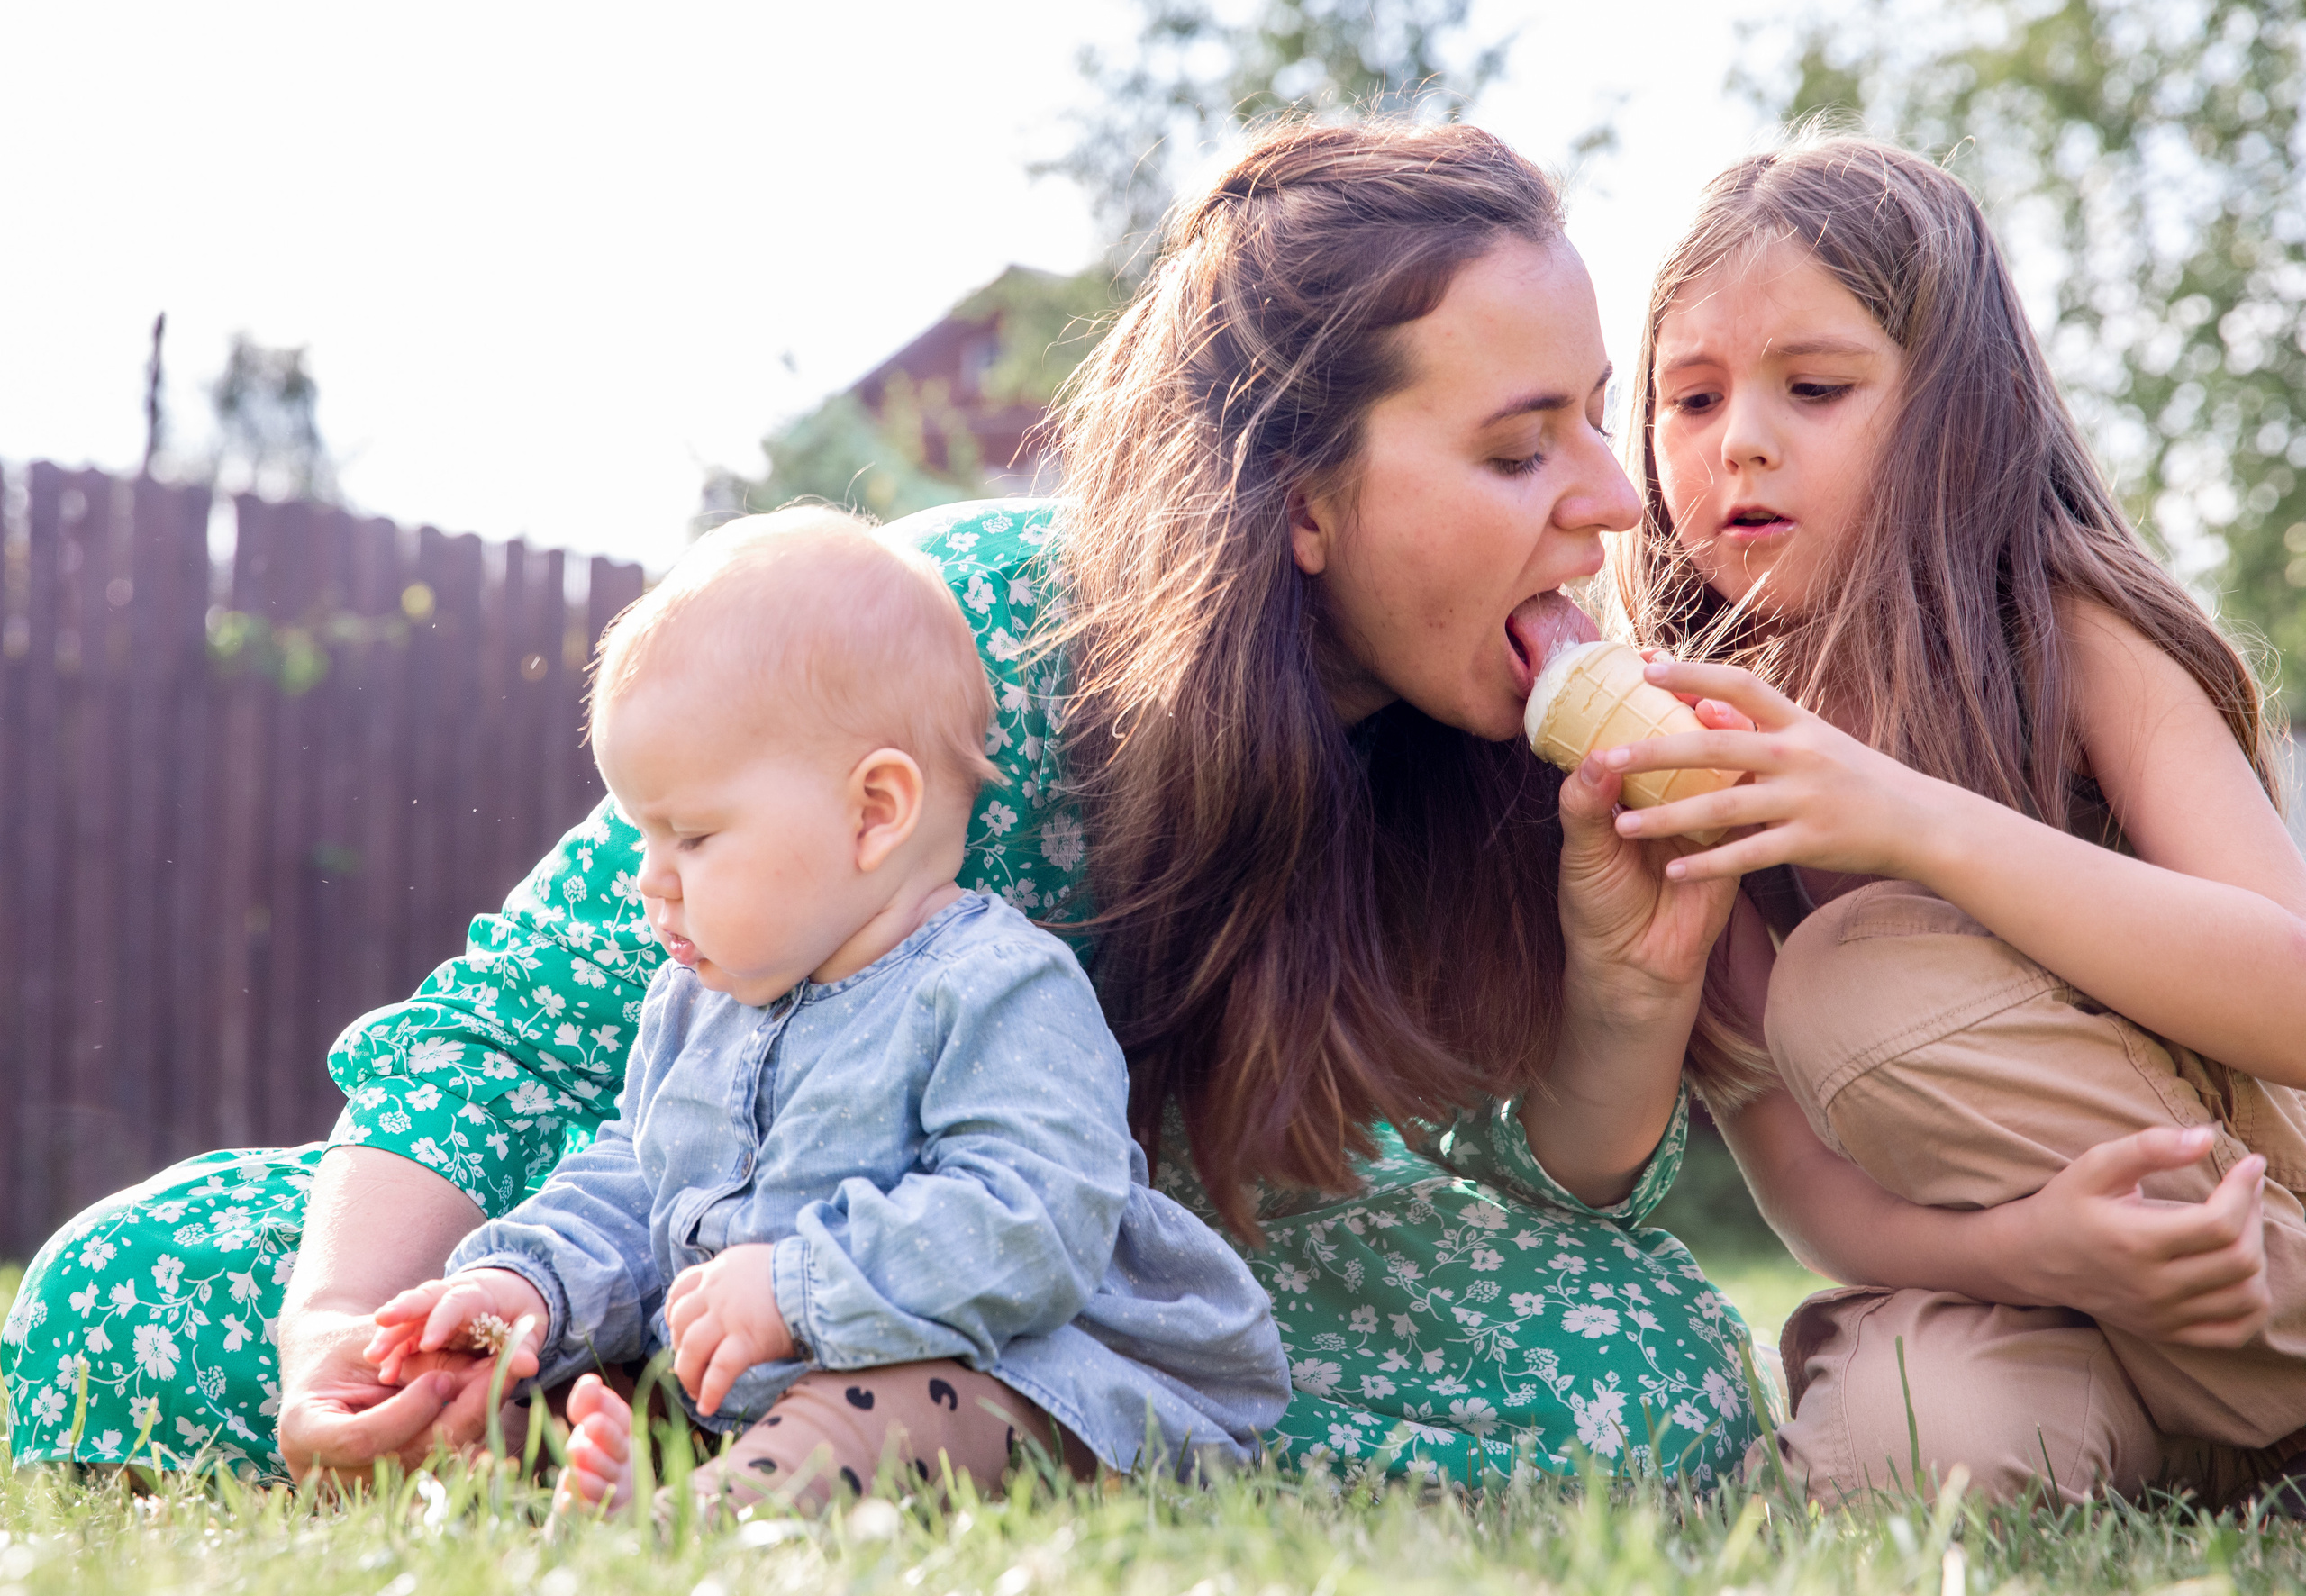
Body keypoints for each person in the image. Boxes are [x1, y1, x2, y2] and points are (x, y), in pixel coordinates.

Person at [3, 121, 2265, 1492]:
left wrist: (1611, 971)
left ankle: (858, 1421)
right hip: (695, 1214)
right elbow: (508, 1032)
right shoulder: (959, 648)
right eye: (1520, 444)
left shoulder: (1502, 736)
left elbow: (1560, 1173)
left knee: (1642, 1368)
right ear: (1295, 500)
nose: (1611, 498)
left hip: (1144, 1270)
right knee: (122, 1298)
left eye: (1594, 419)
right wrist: (345, 1336)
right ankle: (712, 1401)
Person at [1601, 134, 2305, 1506]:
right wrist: (2042, 1251)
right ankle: (2242, 1441)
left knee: (1860, 975)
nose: (1741, 437)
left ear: (1956, 412)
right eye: (1688, 400)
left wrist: (1909, 821)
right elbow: (1804, 1183)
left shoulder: (2069, 633)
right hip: (2052, 1299)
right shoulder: (1689, 767)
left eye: (1814, 387)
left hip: (2261, 1216)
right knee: (1908, 1446)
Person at [364, 508, 1287, 1513]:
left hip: (1027, 1388)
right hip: (773, 1392)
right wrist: (527, 1284)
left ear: (873, 811)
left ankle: (701, 1516)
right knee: (580, 1382)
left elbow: (1032, 1221)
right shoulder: (701, 999)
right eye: (645, 838)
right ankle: (603, 1473)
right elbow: (640, 1179)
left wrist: (795, 1287)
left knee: (897, 1408)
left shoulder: (991, 988)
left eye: (692, 835)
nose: (649, 883)